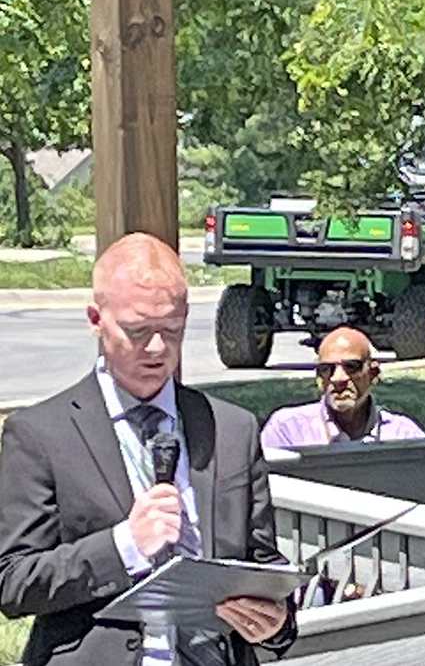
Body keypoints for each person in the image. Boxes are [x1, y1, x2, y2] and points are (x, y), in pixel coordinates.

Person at [0, 232, 296, 665]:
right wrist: (124, 545)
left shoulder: (233, 430)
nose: (157, 348)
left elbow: (263, 567)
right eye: (137, 331)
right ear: (96, 319)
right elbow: (13, 582)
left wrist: (275, 622)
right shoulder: (40, 434)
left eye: (171, 329)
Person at [260, 326, 425, 450]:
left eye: (352, 367)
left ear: (373, 374)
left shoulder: (404, 436)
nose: (338, 378)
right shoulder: (287, 431)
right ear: (319, 378)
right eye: (326, 369)